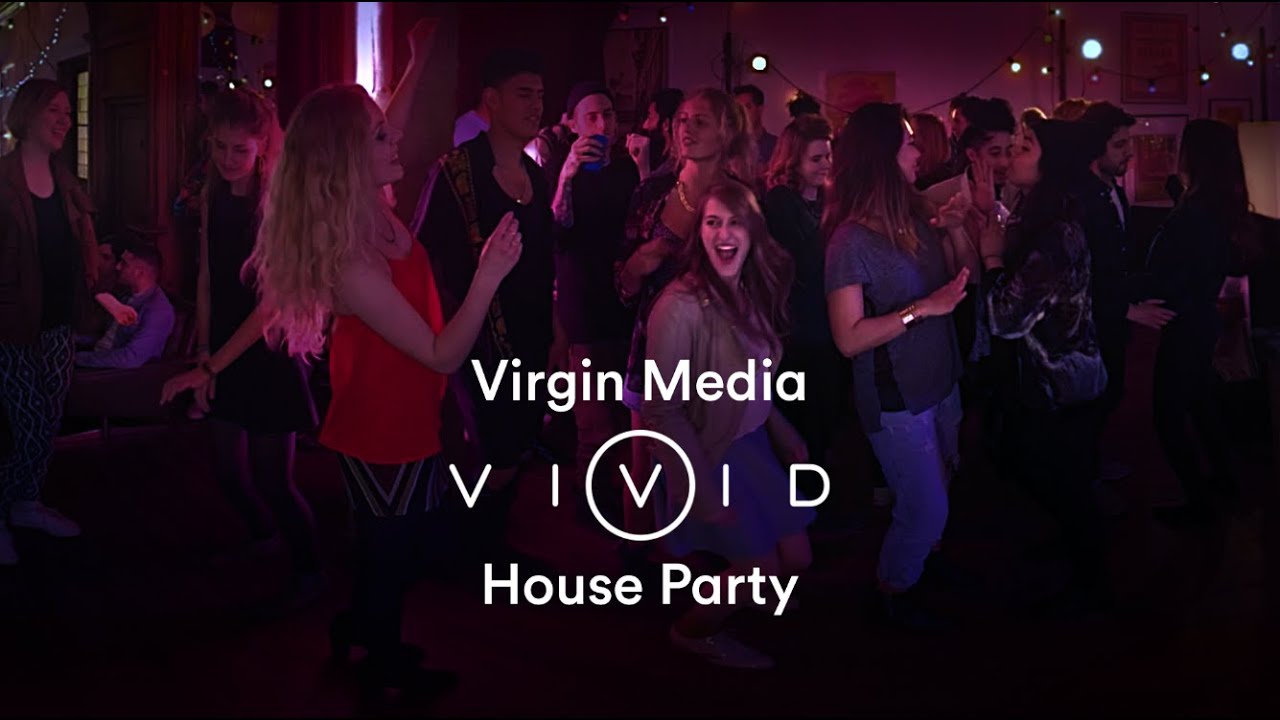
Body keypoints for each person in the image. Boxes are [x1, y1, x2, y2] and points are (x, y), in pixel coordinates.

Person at [160, 89, 322, 610]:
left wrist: (211, 367)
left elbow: (272, 306)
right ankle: (263, 537)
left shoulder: (276, 205)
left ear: (262, 147)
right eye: (220, 147)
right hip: (223, 347)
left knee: (276, 480)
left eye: (240, 150)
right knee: (228, 470)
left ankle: (309, 570)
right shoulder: (212, 192)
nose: (228, 159)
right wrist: (205, 352)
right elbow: (207, 276)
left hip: (268, 352)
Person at [644, 181, 812, 669]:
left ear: (754, 230)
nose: (723, 233)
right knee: (760, 568)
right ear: (699, 233)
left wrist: (782, 430)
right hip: (711, 453)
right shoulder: (680, 306)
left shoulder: (748, 290)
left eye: (735, 221)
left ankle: (744, 595)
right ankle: (692, 632)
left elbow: (751, 379)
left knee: (797, 558)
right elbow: (661, 410)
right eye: (712, 222)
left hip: (751, 444)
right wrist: (697, 487)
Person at [824, 102, 972, 629]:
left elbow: (959, 281)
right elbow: (848, 338)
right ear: (882, 154)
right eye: (908, 142)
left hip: (940, 378)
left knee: (940, 487)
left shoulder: (913, 216)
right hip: (896, 396)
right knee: (924, 506)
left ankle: (923, 561)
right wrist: (921, 310)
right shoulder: (850, 241)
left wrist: (955, 230)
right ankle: (893, 591)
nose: (918, 151)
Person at [412, 48, 564, 557]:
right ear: (491, 101)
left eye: (540, 95)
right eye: (524, 94)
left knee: (518, 445)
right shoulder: (456, 172)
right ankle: (461, 541)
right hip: (477, 338)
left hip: (532, 335)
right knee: (494, 448)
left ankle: (484, 539)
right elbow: (422, 255)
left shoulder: (535, 175)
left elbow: (543, 262)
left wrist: (556, 326)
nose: (536, 105)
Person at [981, 119, 1111, 612]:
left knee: (1057, 478)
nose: (1012, 152)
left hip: (1060, 381)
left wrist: (991, 258)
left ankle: (1090, 585)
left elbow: (1005, 318)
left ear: (1050, 161)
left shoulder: (1055, 232)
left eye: (1024, 146)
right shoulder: (1040, 213)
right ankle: (1076, 552)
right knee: (1044, 471)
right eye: (1014, 143)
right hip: (1051, 377)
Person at [0, 79, 99, 566]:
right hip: (12, 328)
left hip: (60, 324)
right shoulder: (2, 182)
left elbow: (79, 256)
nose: (64, 120)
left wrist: (101, 295)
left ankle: (26, 503)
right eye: (54, 111)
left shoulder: (67, 182)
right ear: (27, 114)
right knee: (31, 425)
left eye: (67, 112)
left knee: (49, 422)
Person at [1140, 120, 1259, 526]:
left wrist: (1131, 290)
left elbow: (1171, 272)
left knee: (1169, 416)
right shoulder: (1217, 205)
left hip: (1186, 321)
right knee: (1201, 406)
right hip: (1200, 318)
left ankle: (1200, 504)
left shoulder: (1195, 214)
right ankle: (1224, 485)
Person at [550, 81, 640, 500]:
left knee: (626, 415)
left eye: (608, 114)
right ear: (572, 124)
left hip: (625, 304)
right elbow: (556, 232)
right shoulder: (558, 169)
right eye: (592, 116)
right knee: (594, 422)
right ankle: (591, 505)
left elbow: (639, 230)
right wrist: (567, 176)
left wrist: (643, 169)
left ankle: (618, 501)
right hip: (583, 305)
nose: (602, 124)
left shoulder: (626, 169)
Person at [75, 244, 175, 369]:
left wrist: (78, 358)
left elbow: (131, 358)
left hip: (115, 374)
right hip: (99, 358)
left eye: (124, 264)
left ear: (139, 272)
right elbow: (108, 337)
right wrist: (76, 340)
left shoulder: (158, 311)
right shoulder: (125, 295)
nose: (117, 267)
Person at [733, 84, 774, 170]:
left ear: (759, 110)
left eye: (747, 107)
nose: (742, 113)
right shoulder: (730, 146)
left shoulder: (776, 146)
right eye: (738, 109)